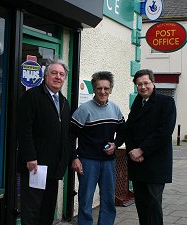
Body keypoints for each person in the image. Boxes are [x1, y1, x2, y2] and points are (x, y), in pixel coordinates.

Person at [17, 58, 70, 225]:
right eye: (54, 73)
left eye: (61, 74)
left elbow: (66, 134)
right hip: (36, 166)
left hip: (54, 167)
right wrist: (30, 157)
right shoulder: (31, 96)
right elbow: (24, 130)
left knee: (47, 210)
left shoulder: (63, 102)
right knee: (32, 210)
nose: (58, 77)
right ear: (45, 76)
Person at [71, 71, 125, 225]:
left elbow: (123, 132)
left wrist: (115, 144)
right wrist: (74, 158)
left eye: (106, 88)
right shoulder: (84, 110)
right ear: (93, 89)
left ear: (111, 89)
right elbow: (70, 137)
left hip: (108, 162)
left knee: (108, 199)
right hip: (88, 162)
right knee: (86, 200)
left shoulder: (115, 109)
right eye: (99, 88)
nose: (103, 92)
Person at [125, 69, 176, 225]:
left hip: (155, 163)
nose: (143, 87)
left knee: (153, 204)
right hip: (137, 163)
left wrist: (142, 150)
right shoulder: (137, 103)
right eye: (139, 84)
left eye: (146, 83)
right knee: (142, 205)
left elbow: (164, 132)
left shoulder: (166, 102)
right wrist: (132, 151)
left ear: (153, 83)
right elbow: (129, 129)